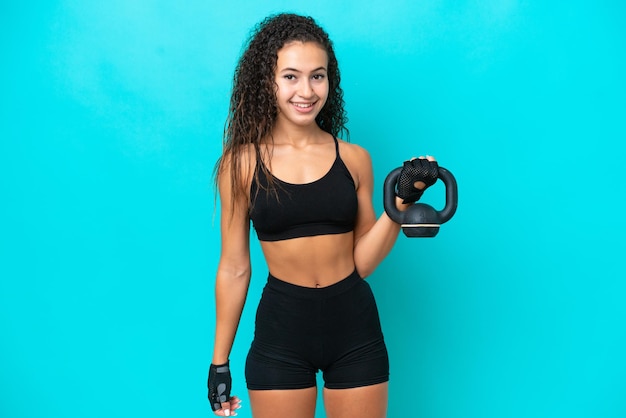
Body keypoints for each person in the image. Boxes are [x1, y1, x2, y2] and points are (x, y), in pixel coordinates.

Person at [207, 13, 439, 418]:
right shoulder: (241, 165)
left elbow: (362, 263)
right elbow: (234, 268)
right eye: (291, 76)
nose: (307, 90)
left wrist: (401, 201)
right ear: (268, 81)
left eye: (318, 76)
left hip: (355, 330)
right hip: (281, 334)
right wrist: (219, 361)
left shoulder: (354, 160)